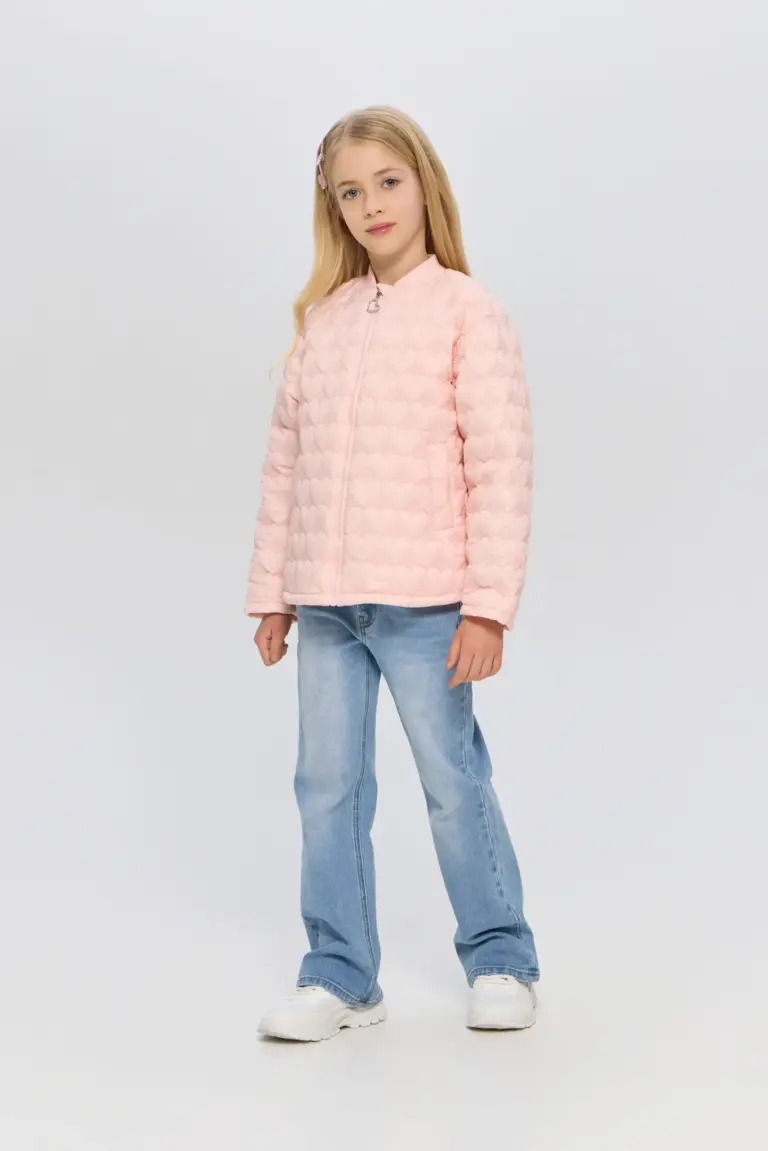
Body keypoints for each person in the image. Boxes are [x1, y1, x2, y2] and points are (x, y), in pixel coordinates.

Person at [245, 105, 540, 1042]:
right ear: (332, 208)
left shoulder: (466, 311)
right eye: (349, 191)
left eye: (387, 182)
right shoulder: (324, 323)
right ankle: (340, 974)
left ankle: (501, 956)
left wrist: (487, 606)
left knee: (453, 780)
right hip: (329, 607)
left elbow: (500, 465)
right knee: (325, 787)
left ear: (423, 185)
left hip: (426, 603)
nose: (371, 204)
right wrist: (272, 594)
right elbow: (286, 467)